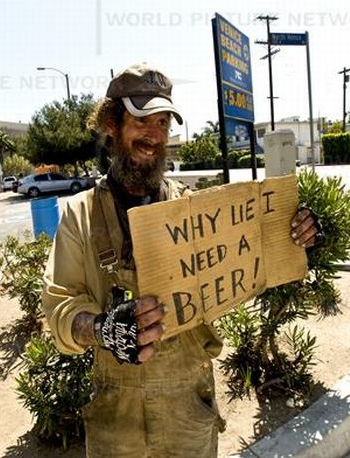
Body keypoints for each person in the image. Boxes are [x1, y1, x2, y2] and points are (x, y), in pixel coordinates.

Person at [42, 63, 321, 458]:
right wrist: (103, 330)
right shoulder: (79, 216)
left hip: (189, 409)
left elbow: (255, 249)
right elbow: (60, 309)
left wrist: (295, 233)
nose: (154, 135)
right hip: (114, 421)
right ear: (111, 124)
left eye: (162, 123)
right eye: (141, 120)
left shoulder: (194, 211)